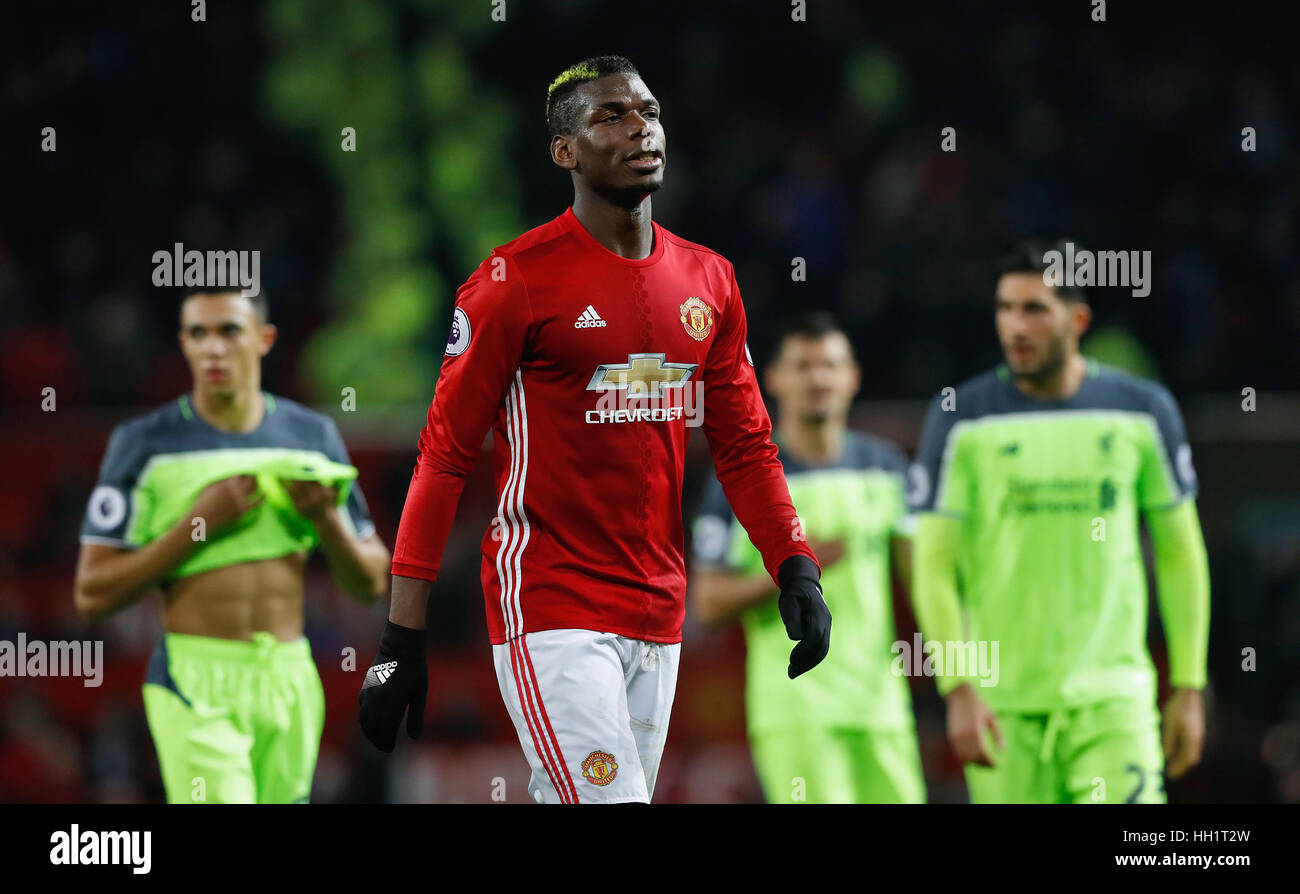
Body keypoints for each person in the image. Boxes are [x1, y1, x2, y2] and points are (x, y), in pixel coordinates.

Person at [357, 55, 830, 804]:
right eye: (611, 116)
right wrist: (399, 639)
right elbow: (444, 457)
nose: (639, 126)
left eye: (648, 110)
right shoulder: (512, 283)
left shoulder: (710, 281)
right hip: (550, 603)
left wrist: (793, 563)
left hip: (658, 607)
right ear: (565, 152)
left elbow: (744, 443)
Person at [909, 240, 1210, 803]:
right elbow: (933, 567)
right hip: (1003, 708)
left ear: (1077, 319)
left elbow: (1180, 552)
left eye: (1034, 309)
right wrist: (958, 689)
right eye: (1005, 309)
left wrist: (1189, 685)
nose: (1015, 327)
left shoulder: (1142, 410)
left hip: (1113, 702)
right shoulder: (961, 418)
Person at [74, 286, 391, 803]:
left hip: (289, 676)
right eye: (198, 333)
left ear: (264, 339)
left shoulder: (312, 435)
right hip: (196, 678)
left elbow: (371, 582)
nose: (213, 348)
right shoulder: (144, 444)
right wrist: (197, 525)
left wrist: (326, 521)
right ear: (183, 344)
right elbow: (92, 594)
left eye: (229, 331)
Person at [692, 312, 925, 803]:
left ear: (852, 377)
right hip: (797, 710)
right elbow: (708, 603)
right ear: (773, 378)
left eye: (830, 365)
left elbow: (924, 578)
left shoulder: (887, 469)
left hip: (881, 707)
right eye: (802, 365)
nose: (818, 378)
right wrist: (794, 568)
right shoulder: (743, 481)